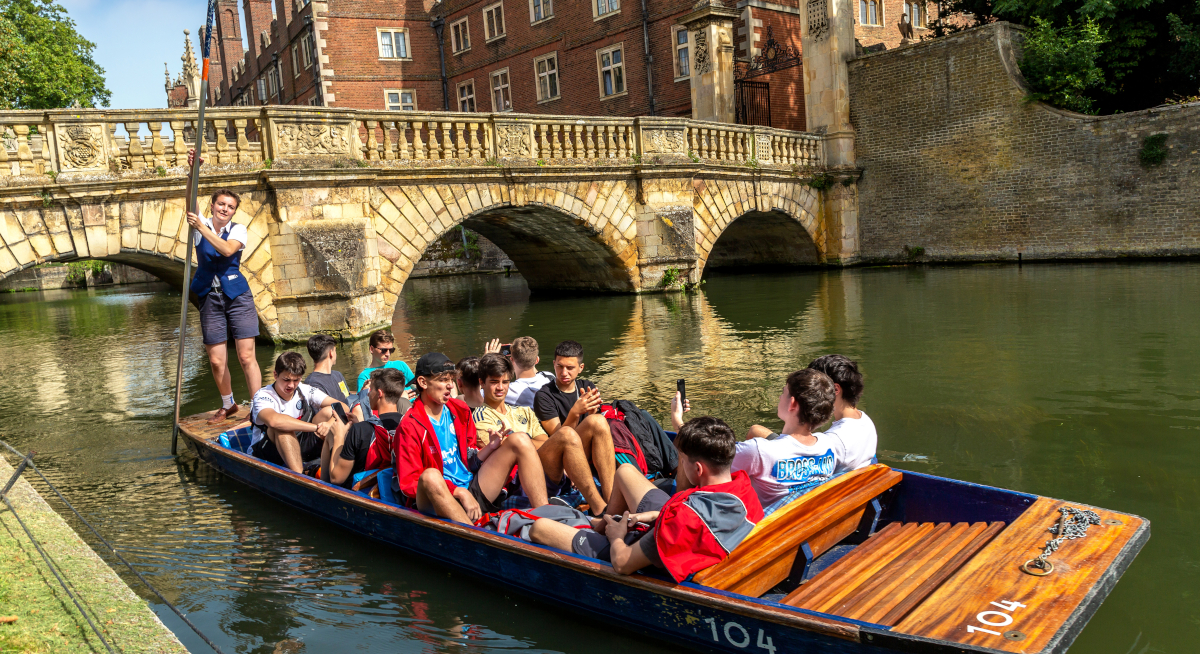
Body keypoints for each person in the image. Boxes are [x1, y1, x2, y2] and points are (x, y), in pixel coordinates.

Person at [529, 417, 763, 581]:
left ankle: (604, 529)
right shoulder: (742, 486)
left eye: (683, 460)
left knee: (539, 528)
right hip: (686, 525)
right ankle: (603, 521)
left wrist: (617, 536)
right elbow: (700, 509)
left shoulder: (680, 523)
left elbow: (621, 563)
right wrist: (656, 514)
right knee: (625, 472)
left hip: (647, 552)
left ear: (699, 469)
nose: (681, 463)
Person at [393, 352, 550, 523]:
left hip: (471, 485)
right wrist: (458, 491)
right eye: (443, 380)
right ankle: (476, 538)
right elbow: (410, 483)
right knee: (431, 475)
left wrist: (490, 447)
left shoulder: (459, 409)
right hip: (438, 498)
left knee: (519, 439)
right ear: (423, 382)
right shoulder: (409, 425)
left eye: (451, 380)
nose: (450, 386)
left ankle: (545, 518)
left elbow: (468, 460)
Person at [473, 353, 609, 513]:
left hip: (544, 468)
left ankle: (610, 501)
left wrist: (521, 443)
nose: (501, 388)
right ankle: (601, 510)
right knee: (565, 434)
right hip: (518, 481)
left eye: (505, 382)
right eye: (494, 382)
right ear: (481, 383)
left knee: (597, 421)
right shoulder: (480, 416)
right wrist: (522, 443)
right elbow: (503, 452)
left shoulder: (523, 411)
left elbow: (544, 442)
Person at [185, 174, 262, 424]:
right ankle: (228, 404)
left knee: (246, 356)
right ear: (212, 205)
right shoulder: (200, 224)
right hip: (210, 297)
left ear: (233, 211)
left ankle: (259, 407)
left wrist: (201, 228)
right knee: (217, 360)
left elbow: (228, 250)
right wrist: (192, 173)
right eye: (221, 204)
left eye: (230, 207)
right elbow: (190, 201)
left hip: (237, 296)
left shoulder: (237, 229)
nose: (225, 209)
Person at [725, 369, 844, 509]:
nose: (780, 397)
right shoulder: (829, 445)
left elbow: (707, 469)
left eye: (784, 392)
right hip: (799, 519)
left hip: (765, 526)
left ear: (792, 404)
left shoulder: (758, 451)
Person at [532, 340, 616, 503]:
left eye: (570, 368)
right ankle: (608, 501)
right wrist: (575, 413)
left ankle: (610, 499)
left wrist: (592, 414)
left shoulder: (587, 386)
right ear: (554, 364)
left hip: (586, 450)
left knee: (597, 420)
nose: (564, 372)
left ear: (580, 368)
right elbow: (560, 438)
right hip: (560, 456)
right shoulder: (544, 395)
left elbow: (597, 427)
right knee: (593, 423)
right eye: (559, 366)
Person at [250, 352, 350, 474]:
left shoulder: (305, 389)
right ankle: (301, 476)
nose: (291, 385)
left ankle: (337, 468)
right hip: (267, 450)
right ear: (275, 375)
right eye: (286, 380)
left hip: (300, 442)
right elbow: (274, 421)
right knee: (282, 428)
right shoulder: (263, 395)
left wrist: (329, 423)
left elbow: (343, 406)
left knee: (329, 411)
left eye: (296, 380)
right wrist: (316, 428)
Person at [321, 368, 407, 489]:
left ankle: (322, 486)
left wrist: (339, 436)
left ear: (379, 393)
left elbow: (337, 478)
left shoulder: (360, 430)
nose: (367, 393)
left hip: (360, 490)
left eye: (371, 389)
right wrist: (359, 424)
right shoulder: (407, 425)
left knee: (331, 434)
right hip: (393, 486)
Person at [808, 354, 877, 472]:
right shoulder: (865, 421)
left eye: (814, 388)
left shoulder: (835, 439)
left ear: (835, 390)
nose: (809, 394)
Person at [505, 336, 553, 407]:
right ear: (537, 360)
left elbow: (482, 395)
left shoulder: (509, 390)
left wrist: (488, 358)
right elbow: (538, 374)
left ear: (511, 361)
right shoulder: (549, 377)